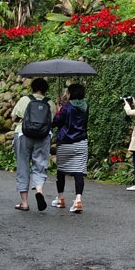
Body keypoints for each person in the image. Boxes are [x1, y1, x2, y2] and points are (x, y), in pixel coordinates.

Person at [11, 77, 56, 211]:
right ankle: (39, 191)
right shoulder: (51, 103)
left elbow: (13, 117)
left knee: (22, 165)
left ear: (33, 87)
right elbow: (52, 121)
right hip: (43, 136)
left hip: (23, 134)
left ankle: (24, 203)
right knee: (40, 165)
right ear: (46, 89)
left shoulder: (25, 100)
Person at [51, 83, 89, 213]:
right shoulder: (85, 106)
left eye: (67, 92)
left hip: (65, 143)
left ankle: (60, 198)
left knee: (61, 171)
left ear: (71, 93)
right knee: (79, 172)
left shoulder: (66, 107)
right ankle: (78, 199)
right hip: (81, 142)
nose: (66, 94)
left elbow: (57, 122)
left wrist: (59, 110)